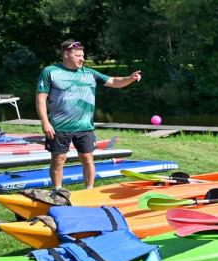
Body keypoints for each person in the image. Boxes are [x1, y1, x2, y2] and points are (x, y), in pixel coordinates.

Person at [36, 40, 141, 190]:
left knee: (88, 158)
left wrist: (129, 79)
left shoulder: (89, 73)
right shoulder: (50, 72)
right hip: (59, 126)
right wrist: (45, 122)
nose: (82, 59)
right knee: (58, 159)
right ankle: (58, 190)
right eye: (78, 56)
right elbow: (41, 97)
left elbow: (113, 81)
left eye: (83, 55)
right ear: (66, 54)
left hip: (84, 126)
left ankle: (89, 190)